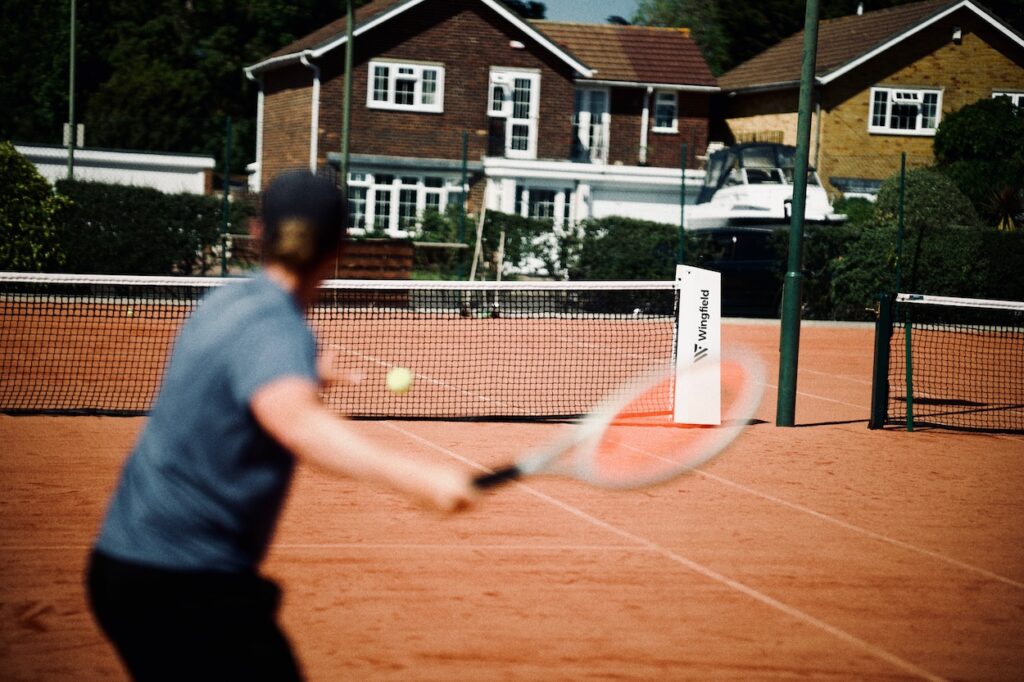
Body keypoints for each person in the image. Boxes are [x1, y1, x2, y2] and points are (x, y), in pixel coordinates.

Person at [86, 170, 475, 681]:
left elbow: (250, 375)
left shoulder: (226, 303)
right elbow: (297, 422)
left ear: (256, 233)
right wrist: (418, 478)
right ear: (339, 248)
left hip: (128, 566)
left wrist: (309, 370)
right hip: (182, 582)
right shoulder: (279, 330)